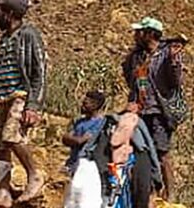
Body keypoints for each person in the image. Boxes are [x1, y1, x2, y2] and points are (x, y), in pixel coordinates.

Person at [0, 0, 47, 207]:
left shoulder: (29, 34)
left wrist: (34, 105)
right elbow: (2, 70)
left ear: (9, 13)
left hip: (21, 95)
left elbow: (40, 72)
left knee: (11, 136)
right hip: (3, 95)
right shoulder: (5, 37)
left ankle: (35, 176)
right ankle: (4, 192)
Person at [122, 16, 185, 201]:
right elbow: (128, 76)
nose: (135, 35)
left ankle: (170, 194)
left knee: (162, 152)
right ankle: (148, 191)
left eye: (139, 32)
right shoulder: (136, 56)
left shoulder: (167, 54)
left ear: (149, 34)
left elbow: (175, 82)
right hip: (139, 111)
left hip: (159, 111)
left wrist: (173, 62)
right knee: (140, 150)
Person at [63, 91, 107, 174]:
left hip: (85, 165)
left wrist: (73, 139)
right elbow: (65, 138)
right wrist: (74, 139)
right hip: (73, 162)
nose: (82, 106)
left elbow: (81, 141)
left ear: (95, 105)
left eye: (85, 104)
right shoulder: (79, 122)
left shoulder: (100, 123)